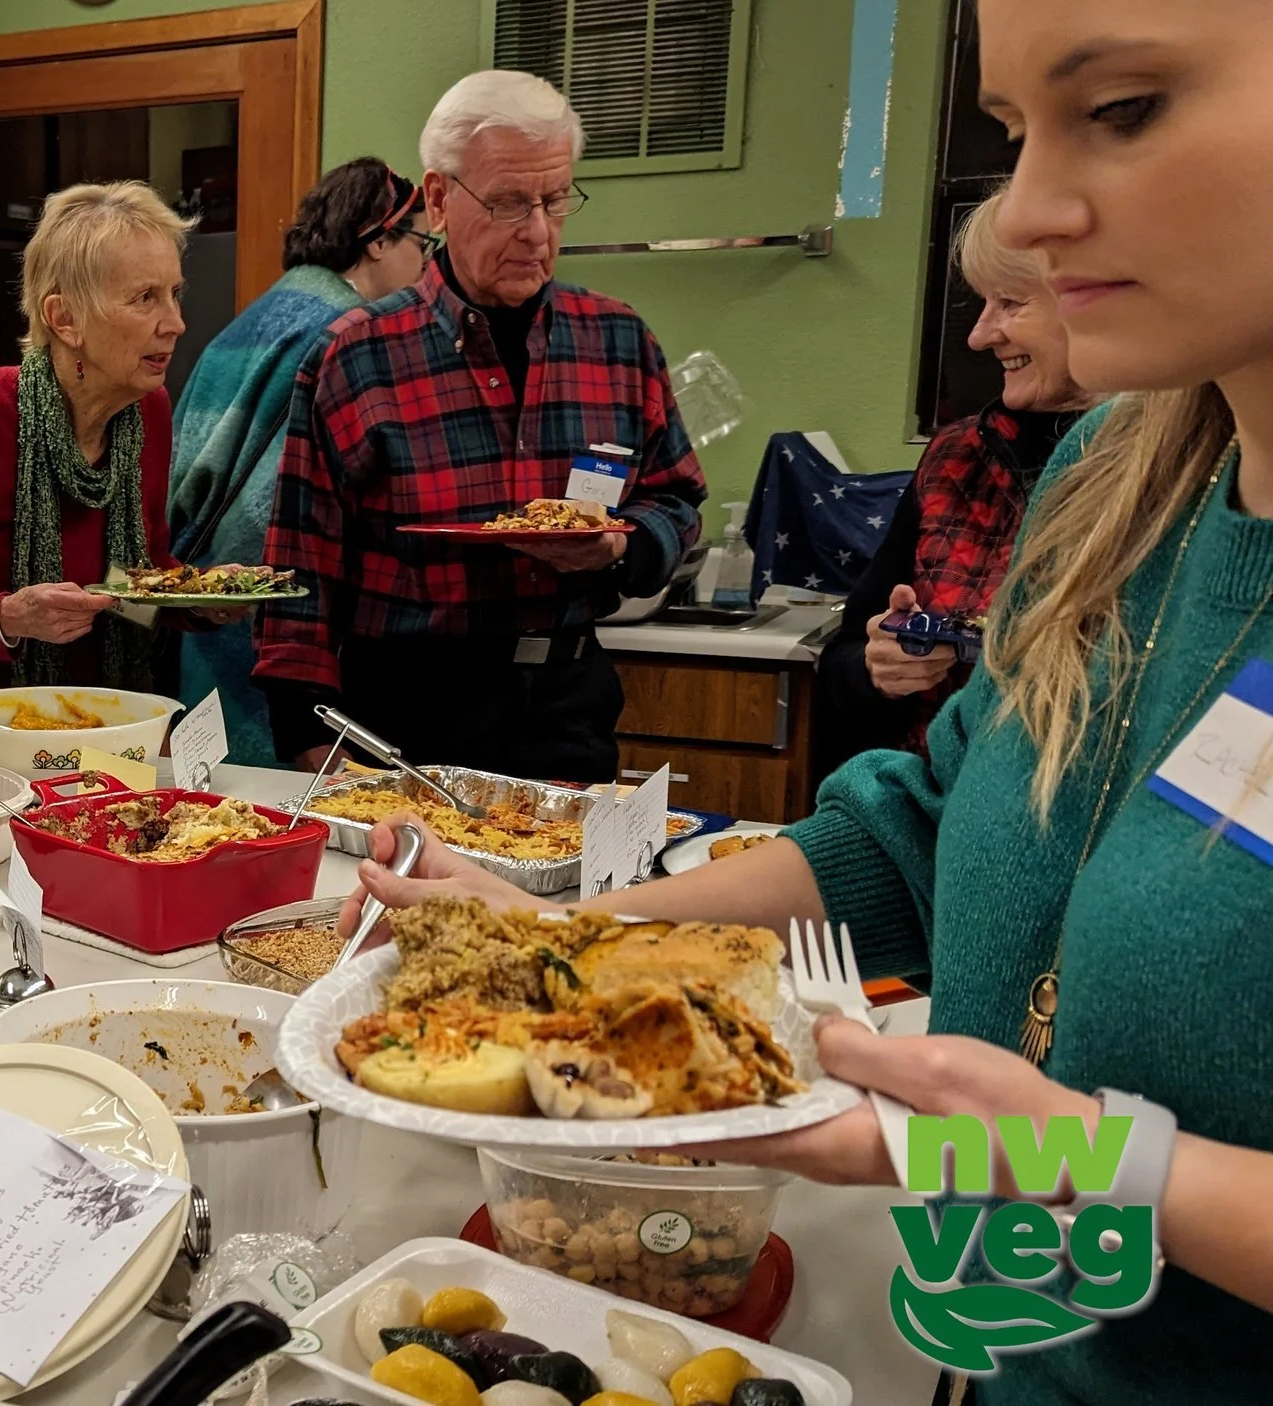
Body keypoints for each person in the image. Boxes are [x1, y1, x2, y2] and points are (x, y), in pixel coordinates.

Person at [343, 3, 1273, 1395]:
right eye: (1016, 132)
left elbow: (1062, 1149)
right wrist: (568, 935)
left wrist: (1074, 1153)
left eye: (1125, 108)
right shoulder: (1114, 487)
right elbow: (915, 838)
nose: (1028, 206)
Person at [254, 71, 705, 781]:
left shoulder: (619, 341)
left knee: (568, 898)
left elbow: (676, 501)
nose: (537, 231)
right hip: (407, 715)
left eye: (556, 201)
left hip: (567, 709)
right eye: (507, 203)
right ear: (438, 200)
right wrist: (307, 728)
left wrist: (624, 546)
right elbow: (299, 565)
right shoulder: (354, 354)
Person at [0, 181, 225, 702]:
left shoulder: (150, 411)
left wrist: (204, 598)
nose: (176, 323)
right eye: (146, 298)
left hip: (118, 719)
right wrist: (8, 617)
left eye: (174, 294)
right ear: (64, 318)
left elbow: (134, 585)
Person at [816, 186, 1099, 772]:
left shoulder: (1182, 471)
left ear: (1099, 301)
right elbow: (843, 660)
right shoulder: (956, 457)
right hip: (933, 818)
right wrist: (881, 671)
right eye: (982, 304)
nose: (980, 334)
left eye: (1011, 303)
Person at [168, 158, 431, 766]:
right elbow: (281, 509)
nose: (426, 263)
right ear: (377, 238)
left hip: (204, 612)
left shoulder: (249, 322)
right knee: (279, 823)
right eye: (422, 241)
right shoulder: (347, 335)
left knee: (209, 812)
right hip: (279, 632)